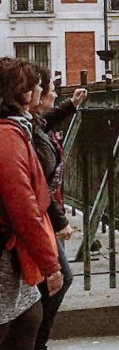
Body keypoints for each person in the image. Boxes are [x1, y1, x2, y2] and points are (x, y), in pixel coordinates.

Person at [0, 58, 63, 350]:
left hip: (14, 248)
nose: (38, 89)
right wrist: (50, 265)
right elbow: (23, 206)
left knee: (28, 316)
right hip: (7, 250)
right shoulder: (8, 136)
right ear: (20, 93)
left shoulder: (17, 128)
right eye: (31, 85)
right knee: (21, 322)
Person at [30, 69, 87, 350]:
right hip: (43, 217)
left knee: (51, 282)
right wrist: (61, 220)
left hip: (44, 216)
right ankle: (36, 342)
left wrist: (71, 105)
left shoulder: (33, 123)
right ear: (35, 95)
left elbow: (47, 122)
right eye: (50, 88)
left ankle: (35, 341)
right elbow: (38, 180)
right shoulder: (25, 130)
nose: (54, 93)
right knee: (58, 279)